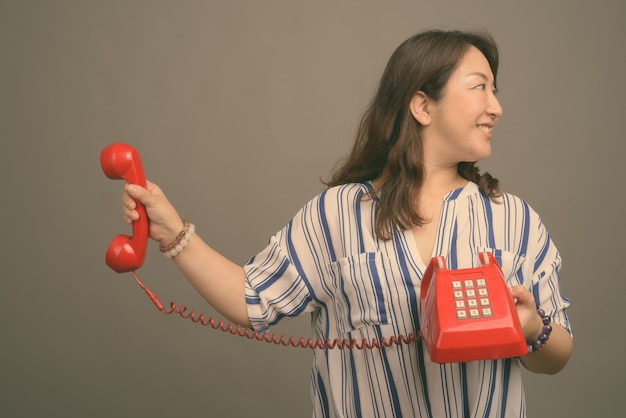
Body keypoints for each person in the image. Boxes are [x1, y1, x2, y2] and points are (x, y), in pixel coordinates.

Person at [122, 29, 573, 417]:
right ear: (422, 105)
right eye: (480, 87)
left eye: (496, 91)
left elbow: (557, 356)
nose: (496, 107)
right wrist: (173, 232)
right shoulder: (336, 213)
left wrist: (533, 329)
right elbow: (250, 298)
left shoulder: (515, 220)